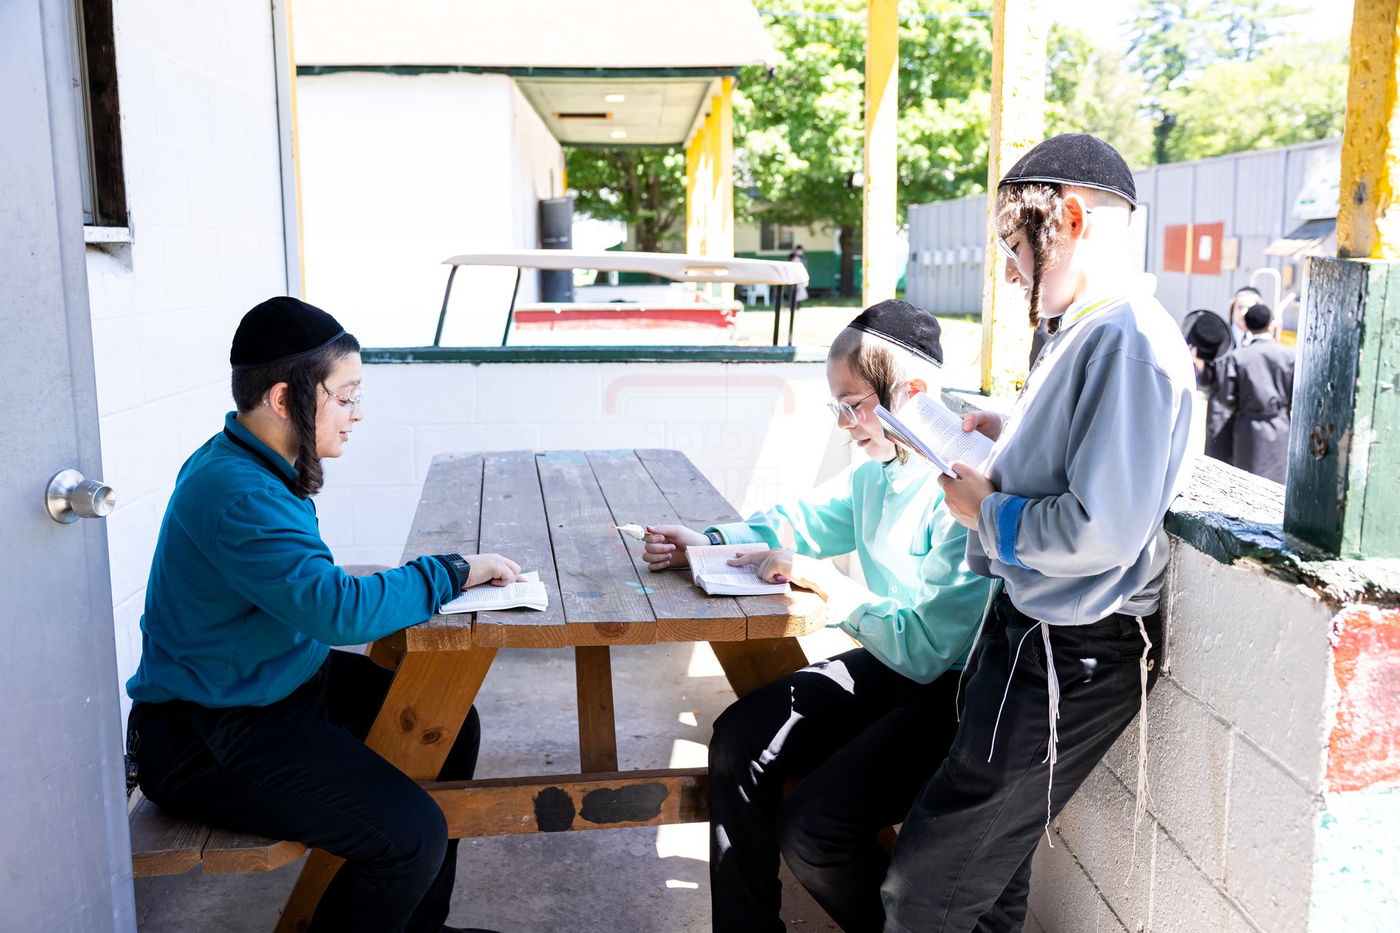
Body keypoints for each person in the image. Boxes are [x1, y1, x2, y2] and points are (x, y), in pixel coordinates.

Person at [882, 134, 1195, 932]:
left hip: (1073, 647)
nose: (1014, 271)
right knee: (987, 875)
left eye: (1018, 249)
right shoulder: (1086, 329)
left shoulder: (1127, 339)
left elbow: (1102, 527)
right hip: (1040, 634)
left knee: (925, 884)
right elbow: (1076, 463)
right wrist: (1006, 434)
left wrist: (985, 510)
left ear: (1074, 218)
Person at [125, 297, 517, 933]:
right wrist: (450, 571)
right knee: (410, 836)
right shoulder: (238, 491)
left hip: (279, 681)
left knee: (449, 725)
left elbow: (315, 593)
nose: (357, 414)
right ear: (285, 399)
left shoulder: (252, 460)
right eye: (345, 395)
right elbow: (338, 611)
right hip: (208, 730)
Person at [641, 300, 997, 932]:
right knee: (737, 740)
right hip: (890, 667)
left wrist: (823, 581)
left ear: (909, 394)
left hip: (951, 694)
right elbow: (798, 521)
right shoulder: (878, 473)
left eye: (851, 404)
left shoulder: (960, 489)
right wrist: (710, 540)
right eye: (836, 406)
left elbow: (929, 651)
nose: (842, 423)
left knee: (812, 828)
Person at [1212, 302, 1295, 482]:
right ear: (1271, 324)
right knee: (1277, 486)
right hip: (1280, 426)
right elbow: (1295, 394)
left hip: (1248, 430)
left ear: (1246, 325)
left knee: (1247, 484)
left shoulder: (1238, 356)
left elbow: (1226, 397)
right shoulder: (1288, 355)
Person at [1193, 286, 1262, 461]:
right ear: (1232, 309)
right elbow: (1208, 380)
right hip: (1221, 413)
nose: (1243, 313)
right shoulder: (1220, 338)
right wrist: (1199, 362)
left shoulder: (1261, 342)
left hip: (1249, 416)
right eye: (1240, 307)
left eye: (1249, 308)